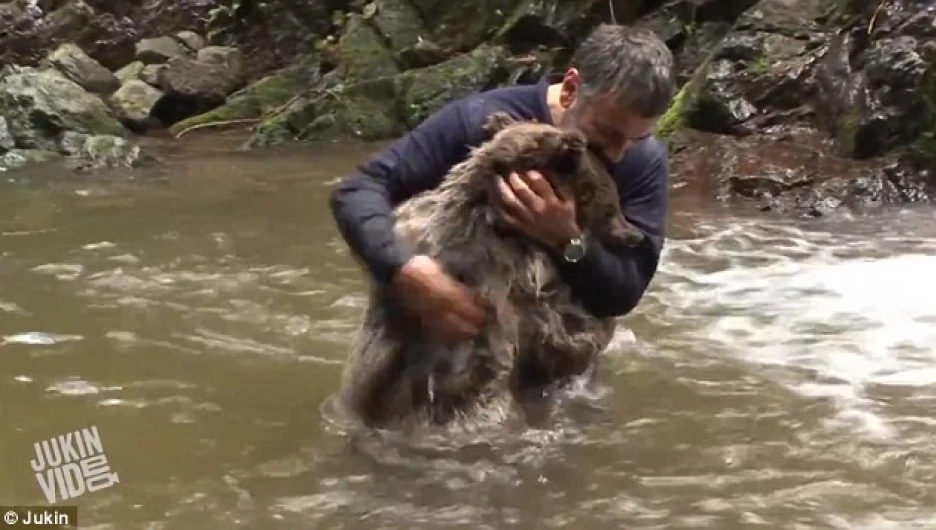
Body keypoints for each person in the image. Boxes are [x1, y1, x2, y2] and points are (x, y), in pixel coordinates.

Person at [329, 23, 677, 347]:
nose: (618, 155)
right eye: (607, 134)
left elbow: (623, 294)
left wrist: (567, 241)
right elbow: (359, 189)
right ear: (571, 88)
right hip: (448, 320)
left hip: (554, 344)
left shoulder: (643, 162)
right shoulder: (476, 120)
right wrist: (404, 271)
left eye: (637, 139)